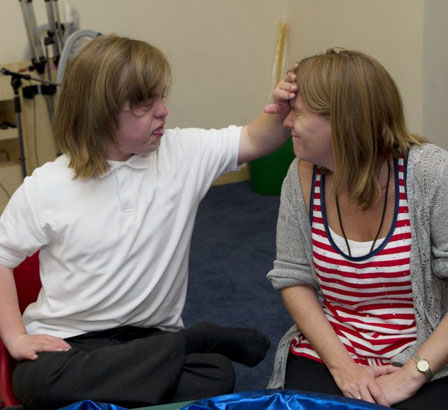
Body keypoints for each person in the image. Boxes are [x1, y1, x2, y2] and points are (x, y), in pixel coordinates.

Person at [0, 34, 293, 409]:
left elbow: (256, 139)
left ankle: (152, 370)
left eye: (161, 98)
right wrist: (15, 338)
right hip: (71, 341)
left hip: (153, 338)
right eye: (144, 104)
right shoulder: (47, 185)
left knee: (216, 375)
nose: (163, 112)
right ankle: (190, 343)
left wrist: (283, 110)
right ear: (100, 113)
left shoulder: (183, 153)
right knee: (38, 383)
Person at [265, 48, 448, 409]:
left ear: (345, 122)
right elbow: (293, 277)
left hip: (427, 354)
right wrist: (344, 368)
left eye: (298, 114)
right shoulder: (300, 176)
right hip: (332, 352)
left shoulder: (432, 174)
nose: (286, 124)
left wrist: (413, 372)